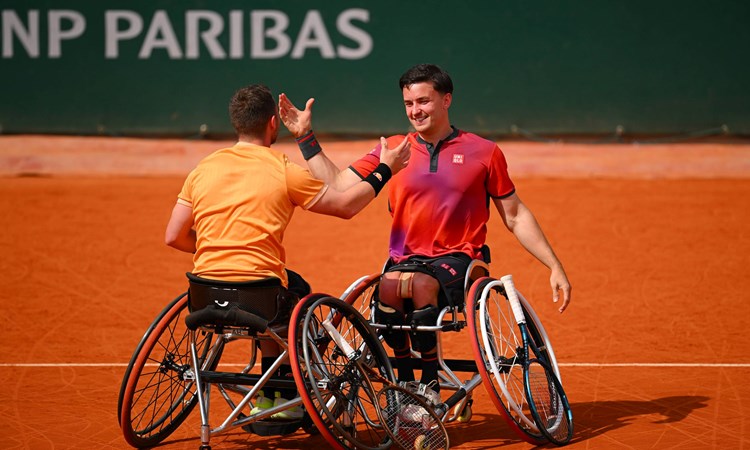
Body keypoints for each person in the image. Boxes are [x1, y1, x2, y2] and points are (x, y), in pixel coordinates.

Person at [278, 64, 572, 400]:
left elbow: (516, 215)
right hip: (403, 260)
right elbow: (338, 182)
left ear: (446, 100)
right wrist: (304, 137)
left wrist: (554, 265)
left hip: (458, 260)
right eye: (408, 103)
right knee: (389, 288)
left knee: (418, 286)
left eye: (424, 101)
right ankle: (405, 383)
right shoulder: (393, 150)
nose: (415, 111)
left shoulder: (484, 152)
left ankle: (429, 385)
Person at [165, 84, 410, 420]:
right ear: (272, 124)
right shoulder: (282, 169)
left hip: (203, 293)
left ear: (236, 123)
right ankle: (280, 394)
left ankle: (269, 397)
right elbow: (345, 205)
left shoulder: (203, 168)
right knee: (296, 295)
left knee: (281, 291)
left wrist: (217, 243)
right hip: (259, 294)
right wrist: (386, 170)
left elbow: (173, 236)